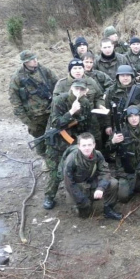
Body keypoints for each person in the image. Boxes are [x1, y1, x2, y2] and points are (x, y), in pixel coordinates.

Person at [43, 79, 95, 210]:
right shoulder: (60, 100)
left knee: (76, 168)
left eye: (82, 90)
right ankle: (49, 196)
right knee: (55, 171)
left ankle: (77, 195)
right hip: (57, 142)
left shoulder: (86, 103)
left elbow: (86, 125)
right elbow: (56, 122)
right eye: (76, 89)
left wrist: (83, 142)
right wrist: (71, 112)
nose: (79, 92)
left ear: (85, 91)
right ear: (71, 88)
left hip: (73, 141)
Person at [8, 50, 58, 163]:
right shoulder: (18, 78)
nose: (35, 60)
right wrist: (26, 120)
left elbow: (57, 84)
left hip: (51, 110)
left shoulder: (44, 71)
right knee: (39, 138)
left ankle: (56, 156)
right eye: (31, 59)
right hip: (34, 116)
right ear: (25, 62)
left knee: (55, 134)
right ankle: (45, 159)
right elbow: (14, 100)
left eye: (35, 58)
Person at [61, 133, 122, 219]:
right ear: (79, 146)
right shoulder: (71, 159)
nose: (87, 148)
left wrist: (101, 188)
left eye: (89, 145)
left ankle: (108, 209)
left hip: (92, 182)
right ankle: (82, 203)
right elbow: (68, 183)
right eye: (84, 145)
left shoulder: (98, 154)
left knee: (113, 183)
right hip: (78, 187)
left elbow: (105, 172)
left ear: (94, 145)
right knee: (84, 214)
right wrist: (81, 199)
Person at [107, 106, 140, 202]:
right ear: (127, 118)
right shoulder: (120, 130)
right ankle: (136, 182)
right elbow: (108, 151)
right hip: (126, 170)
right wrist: (113, 142)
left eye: (136, 115)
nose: (134, 118)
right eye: (130, 116)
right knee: (123, 197)